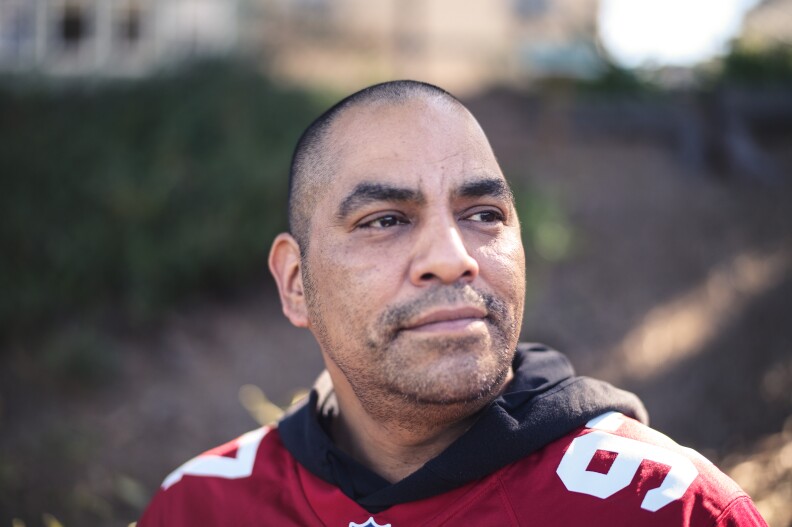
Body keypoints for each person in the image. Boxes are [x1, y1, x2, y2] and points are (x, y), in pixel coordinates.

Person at [139, 80, 766, 526]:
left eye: (484, 214)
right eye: (385, 219)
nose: (452, 255)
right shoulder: (199, 506)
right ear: (297, 283)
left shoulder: (670, 510)